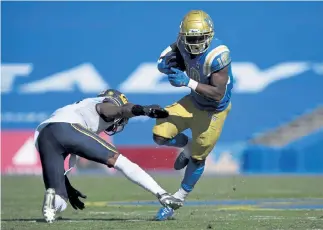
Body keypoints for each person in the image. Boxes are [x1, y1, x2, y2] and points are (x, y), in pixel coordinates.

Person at [34, 89, 181, 223]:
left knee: (60, 200)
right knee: (119, 160)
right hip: (69, 127)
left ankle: (52, 200)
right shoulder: (103, 105)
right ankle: (162, 194)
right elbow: (119, 110)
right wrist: (143, 110)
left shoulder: (81, 105)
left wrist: (67, 187)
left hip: (45, 136)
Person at [152, 10, 234, 220]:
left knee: (198, 158)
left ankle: (177, 199)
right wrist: (165, 64)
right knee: (160, 135)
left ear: (210, 35)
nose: (195, 43)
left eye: (199, 38)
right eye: (190, 38)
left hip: (213, 111)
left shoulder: (219, 54)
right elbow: (168, 55)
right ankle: (188, 145)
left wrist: (188, 81)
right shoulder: (181, 42)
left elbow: (217, 94)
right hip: (193, 102)